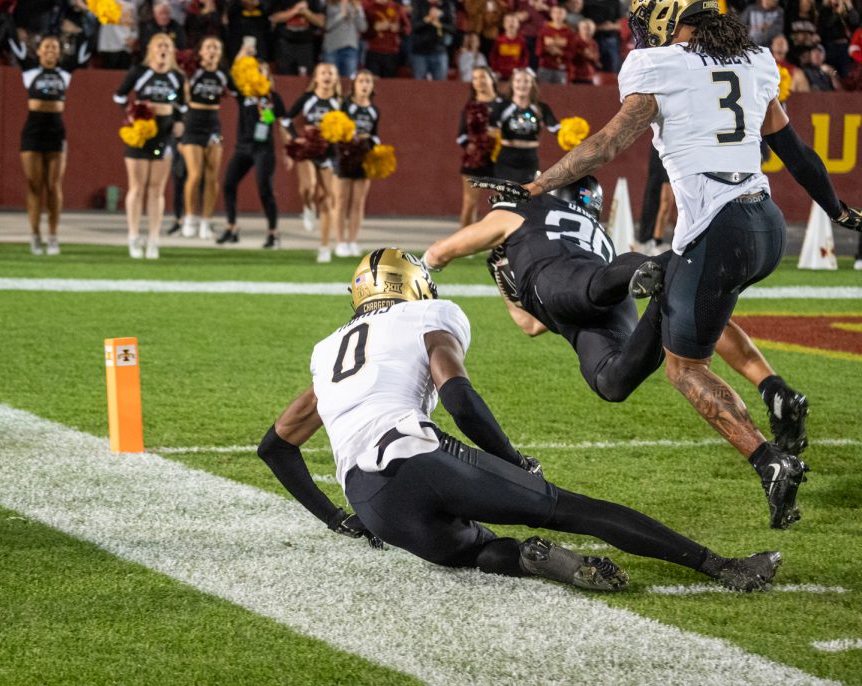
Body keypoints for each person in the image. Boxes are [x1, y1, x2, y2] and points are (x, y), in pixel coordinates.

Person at [507, 0, 862, 528]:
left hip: (717, 229)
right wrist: (838, 208)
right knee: (695, 304)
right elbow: (794, 152)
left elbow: (605, 145)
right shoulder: (755, 60)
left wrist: (538, 184)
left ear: (664, 14)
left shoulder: (657, 64)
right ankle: (774, 392)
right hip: (764, 224)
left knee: (683, 368)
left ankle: (769, 462)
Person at [259, 248, 782, 593]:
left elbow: (276, 447)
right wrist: (513, 460)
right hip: (415, 456)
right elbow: (459, 397)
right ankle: (724, 567)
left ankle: (531, 560)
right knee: (570, 509)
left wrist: (337, 518)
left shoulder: (328, 353)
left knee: (473, 548)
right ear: (416, 286)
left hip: (371, 501)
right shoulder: (427, 317)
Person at [424, 176, 809, 454]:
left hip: (573, 283)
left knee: (594, 285)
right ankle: (768, 381)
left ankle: (667, 263)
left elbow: (442, 253)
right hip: (601, 293)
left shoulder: (526, 208)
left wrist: (422, 266)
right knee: (612, 382)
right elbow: (533, 324)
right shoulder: (600, 236)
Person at [113, 33, 187, 260]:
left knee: (156, 188)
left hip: (163, 137)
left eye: (167, 45)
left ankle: (154, 238)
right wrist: (133, 115)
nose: (163, 49)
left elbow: (181, 106)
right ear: (151, 50)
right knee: (137, 186)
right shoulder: (139, 72)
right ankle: (133, 235)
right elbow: (118, 97)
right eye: (159, 45)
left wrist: (179, 123)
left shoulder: (177, 77)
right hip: (140, 136)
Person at [9, 36, 71, 255]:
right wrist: (5, 11)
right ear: (39, 51)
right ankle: (35, 234)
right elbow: (13, 43)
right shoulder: (30, 71)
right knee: (34, 185)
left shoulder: (65, 72)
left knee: (54, 186)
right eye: (46, 47)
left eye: (54, 47)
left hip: (56, 131)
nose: (51, 50)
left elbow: (86, 46)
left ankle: (53, 235)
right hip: (33, 131)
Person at [218, 56, 285, 250]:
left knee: (265, 189)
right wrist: (240, 57)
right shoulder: (243, 94)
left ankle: (273, 233)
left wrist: (265, 109)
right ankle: (232, 227)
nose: (258, 74)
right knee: (229, 183)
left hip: (263, 148)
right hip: (243, 147)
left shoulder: (273, 97)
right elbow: (230, 79)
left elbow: (280, 123)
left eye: (262, 71)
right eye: (256, 70)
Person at [281, 62, 342, 263]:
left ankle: (324, 246)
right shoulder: (308, 99)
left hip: (329, 152)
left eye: (331, 73)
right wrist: (294, 138)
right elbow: (285, 120)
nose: (327, 76)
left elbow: (348, 127)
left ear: (335, 78)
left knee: (328, 197)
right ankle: (307, 207)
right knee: (308, 187)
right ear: (315, 78)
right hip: (308, 149)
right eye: (323, 72)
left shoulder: (340, 102)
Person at [178, 37, 233, 241]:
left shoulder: (223, 74)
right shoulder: (191, 72)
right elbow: (179, 96)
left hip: (214, 127)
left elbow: (238, 92)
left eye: (216, 48)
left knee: (212, 175)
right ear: (200, 51)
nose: (212, 51)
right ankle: (190, 217)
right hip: (192, 125)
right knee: (195, 174)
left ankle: (206, 221)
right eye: (208, 47)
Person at [335, 70, 379, 258]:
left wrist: (371, 144)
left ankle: (353, 241)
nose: (365, 85)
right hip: (344, 157)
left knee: (358, 202)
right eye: (361, 81)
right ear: (353, 85)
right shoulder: (345, 105)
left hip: (363, 158)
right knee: (341, 200)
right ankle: (339, 241)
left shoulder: (374, 110)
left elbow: (375, 134)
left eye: (368, 81)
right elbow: (337, 130)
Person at [490, 67, 559, 185]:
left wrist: (571, 134)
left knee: (528, 200)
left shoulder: (541, 108)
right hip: (506, 159)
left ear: (532, 84)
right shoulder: (502, 107)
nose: (522, 85)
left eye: (526, 81)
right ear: (512, 84)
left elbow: (558, 130)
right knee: (503, 200)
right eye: (518, 81)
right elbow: (489, 130)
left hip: (529, 160)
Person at [456, 65, 499, 229]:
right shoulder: (469, 107)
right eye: (475, 78)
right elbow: (460, 136)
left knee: (501, 203)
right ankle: (464, 243)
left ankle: (498, 244)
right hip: (475, 161)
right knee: (470, 203)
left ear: (491, 79)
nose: (479, 81)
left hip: (499, 161)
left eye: (482, 77)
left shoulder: (504, 103)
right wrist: (472, 147)